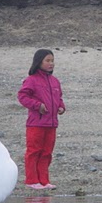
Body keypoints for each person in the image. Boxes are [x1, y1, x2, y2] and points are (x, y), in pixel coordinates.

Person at [18, 49, 66, 190]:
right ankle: (32, 180)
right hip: (36, 123)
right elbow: (22, 96)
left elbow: (59, 98)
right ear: (39, 62)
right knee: (34, 151)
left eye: (52, 60)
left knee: (47, 152)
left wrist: (61, 107)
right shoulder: (31, 80)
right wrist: (37, 106)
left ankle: (44, 181)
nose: (51, 63)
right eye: (48, 60)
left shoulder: (55, 81)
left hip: (51, 124)